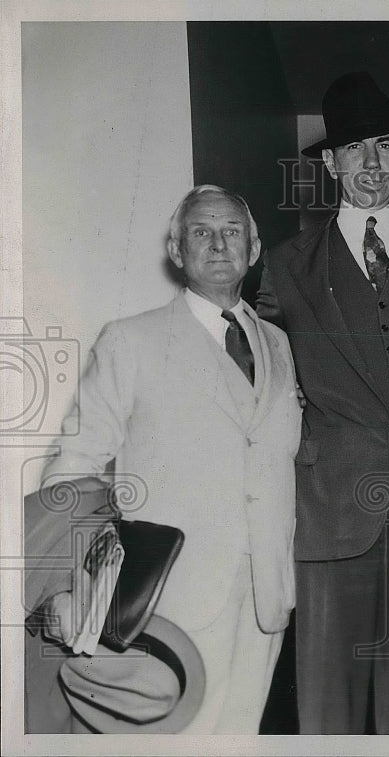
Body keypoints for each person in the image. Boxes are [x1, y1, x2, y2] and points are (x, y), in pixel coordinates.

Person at [26, 185, 301, 733]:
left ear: (254, 247)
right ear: (177, 251)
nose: (219, 244)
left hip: (266, 601)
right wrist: (74, 589)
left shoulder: (276, 344)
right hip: (167, 599)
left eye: (232, 232)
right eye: (201, 232)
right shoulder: (131, 341)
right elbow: (73, 472)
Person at [256, 71, 389, 734]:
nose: (372, 162)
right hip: (329, 510)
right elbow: (253, 368)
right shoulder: (285, 264)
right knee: (329, 708)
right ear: (330, 162)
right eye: (355, 148)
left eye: (385, 144)